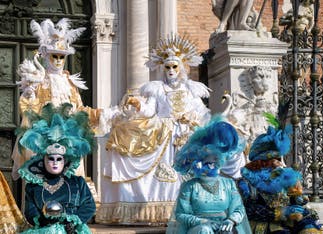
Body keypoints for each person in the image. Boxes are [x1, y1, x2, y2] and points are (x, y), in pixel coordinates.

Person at [98, 34, 211, 224]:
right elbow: (150, 110)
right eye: (167, 67)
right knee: (159, 172)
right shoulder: (156, 88)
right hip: (163, 133)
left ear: (181, 67)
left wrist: (201, 120)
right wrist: (138, 104)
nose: (171, 71)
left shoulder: (191, 89)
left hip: (187, 134)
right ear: (162, 68)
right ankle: (160, 210)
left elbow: (201, 111)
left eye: (175, 67)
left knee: (185, 173)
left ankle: (186, 208)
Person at [12, 18, 116, 180]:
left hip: (69, 139)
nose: (59, 61)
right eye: (55, 56)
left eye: (62, 57)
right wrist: (29, 95)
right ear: (46, 56)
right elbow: (27, 110)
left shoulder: (69, 83)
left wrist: (101, 114)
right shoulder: (38, 80)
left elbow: (79, 110)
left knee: (71, 179)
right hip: (42, 140)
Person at [237, 111, 323, 233]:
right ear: (261, 162)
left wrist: (297, 195)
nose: (277, 163)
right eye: (272, 160)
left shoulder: (283, 176)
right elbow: (249, 209)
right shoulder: (246, 182)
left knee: (309, 227)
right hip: (265, 225)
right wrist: (280, 213)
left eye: (278, 159)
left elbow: (300, 202)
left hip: (289, 221)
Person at [17, 103, 96, 234]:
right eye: (51, 159)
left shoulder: (77, 183)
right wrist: (43, 220)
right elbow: (30, 212)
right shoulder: (33, 186)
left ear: (65, 162)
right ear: (43, 160)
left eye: (59, 159)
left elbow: (89, 206)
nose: (55, 163)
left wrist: (74, 222)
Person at [167, 116, 252, 234]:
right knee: (204, 231)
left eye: (214, 162)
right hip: (199, 228)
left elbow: (238, 209)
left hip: (222, 227)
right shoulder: (190, 186)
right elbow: (181, 214)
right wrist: (202, 222)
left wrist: (231, 221)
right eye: (206, 162)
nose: (210, 166)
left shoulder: (228, 184)